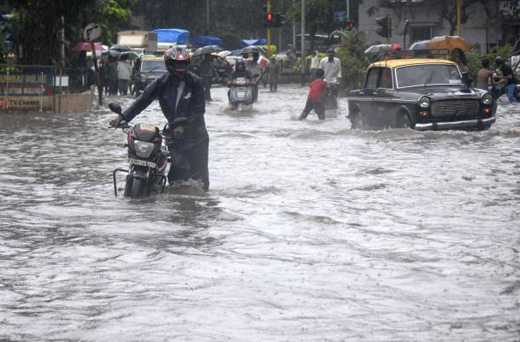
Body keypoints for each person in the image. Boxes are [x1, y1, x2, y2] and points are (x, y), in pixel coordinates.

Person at [110, 47, 210, 191]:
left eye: (183, 64)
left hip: (197, 136)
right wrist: (122, 117)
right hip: (174, 136)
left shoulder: (196, 82)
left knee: (200, 181)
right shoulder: (161, 83)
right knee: (177, 175)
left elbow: (199, 111)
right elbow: (142, 101)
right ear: (169, 64)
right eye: (177, 64)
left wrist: (184, 126)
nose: (180, 67)